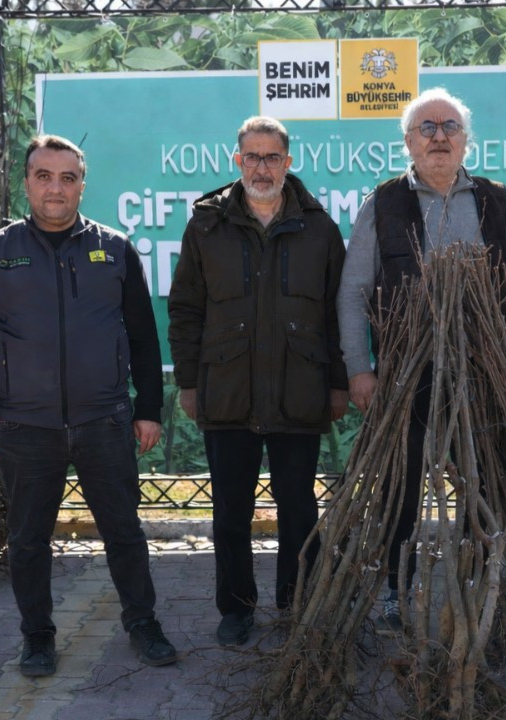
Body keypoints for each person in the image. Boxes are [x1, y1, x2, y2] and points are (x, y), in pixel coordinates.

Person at [0, 134, 177, 676]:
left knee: (125, 532)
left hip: (104, 420)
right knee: (28, 541)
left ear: (82, 184)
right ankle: (37, 637)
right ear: (26, 181)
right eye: (44, 176)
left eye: (67, 177)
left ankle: (143, 623)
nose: (55, 188)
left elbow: (145, 338)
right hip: (25, 425)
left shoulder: (116, 248)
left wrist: (148, 408)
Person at [337, 88, 506, 635]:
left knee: (487, 478)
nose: (439, 136)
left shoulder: (493, 199)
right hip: (409, 370)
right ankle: (395, 591)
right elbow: (354, 291)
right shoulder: (384, 203)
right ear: (408, 142)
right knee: (400, 484)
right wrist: (359, 366)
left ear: (466, 139)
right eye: (427, 128)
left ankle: (484, 583)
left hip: (484, 370)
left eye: (449, 126)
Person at [168, 116, 348, 647]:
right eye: (253, 156)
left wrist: (337, 383)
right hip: (228, 391)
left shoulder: (319, 227)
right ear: (237, 160)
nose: (262, 167)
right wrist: (188, 383)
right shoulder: (206, 225)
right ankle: (237, 609)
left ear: (288, 164)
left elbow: (339, 313)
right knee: (230, 512)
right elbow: (185, 310)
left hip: (299, 390)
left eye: (272, 157)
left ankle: (298, 607)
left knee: (299, 509)